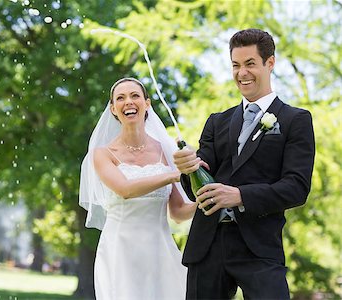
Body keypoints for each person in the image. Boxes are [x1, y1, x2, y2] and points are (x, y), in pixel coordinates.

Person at [174, 29, 315, 299]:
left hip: (260, 247)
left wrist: (239, 195)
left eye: (250, 64)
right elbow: (197, 190)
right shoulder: (217, 121)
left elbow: (296, 188)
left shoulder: (295, 120)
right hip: (208, 245)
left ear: (269, 63)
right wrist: (188, 168)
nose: (242, 73)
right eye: (236, 65)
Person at [79, 77, 197, 300]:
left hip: (160, 250)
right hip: (120, 250)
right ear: (113, 108)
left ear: (147, 103)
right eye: (120, 98)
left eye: (135, 96)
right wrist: (175, 174)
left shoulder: (166, 149)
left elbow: (179, 211)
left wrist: (203, 201)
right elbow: (125, 189)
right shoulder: (103, 154)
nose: (128, 102)